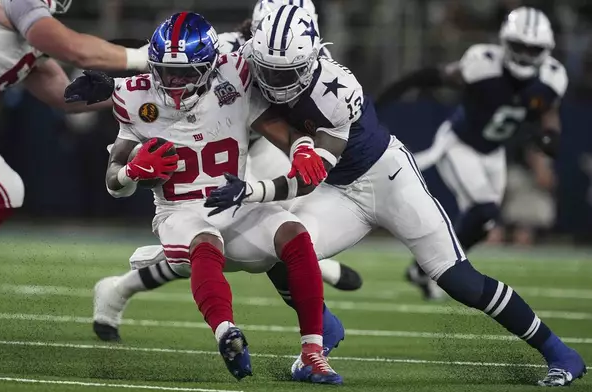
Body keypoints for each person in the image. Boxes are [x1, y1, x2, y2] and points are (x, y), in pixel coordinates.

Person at [205, 5, 586, 387]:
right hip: (339, 190)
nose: (272, 79)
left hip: (386, 178)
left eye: (283, 72)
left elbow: (308, 174)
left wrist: (254, 190)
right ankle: (322, 327)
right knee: (279, 244)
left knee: (458, 279)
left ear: (310, 59)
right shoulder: (247, 63)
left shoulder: (337, 90)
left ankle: (559, 352)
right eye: (266, 68)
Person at [83, 12, 342, 384]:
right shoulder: (134, 97)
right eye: (167, 72)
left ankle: (312, 353)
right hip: (179, 212)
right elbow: (113, 183)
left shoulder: (235, 79)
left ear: (210, 66)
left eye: (187, 73)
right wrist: (132, 172)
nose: (175, 82)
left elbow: (287, 132)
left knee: (293, 232)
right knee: (205, 242)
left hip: (231, 201)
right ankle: (226, 334)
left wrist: (303, 149)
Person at [0, 0, 149, 324]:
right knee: (4, 190)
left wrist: (139, 92)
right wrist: (144, 58)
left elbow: (64, 95)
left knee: (6, 191)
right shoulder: (17, 3)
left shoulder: (28, 35)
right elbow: (77, 50)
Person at [375, 7, 567, 301]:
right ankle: (439, 268)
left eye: (533, 49)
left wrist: (550, 135)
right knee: (485, 209)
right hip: (459, 143)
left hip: (493, 152)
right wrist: (383, 100)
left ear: (545, 50)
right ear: (505, 42)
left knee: (484, 222)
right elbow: (433, 76)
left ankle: (421, 269)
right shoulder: (483, 65)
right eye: (520, 46)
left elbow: (549, 111)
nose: (526, 55)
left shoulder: (552, 78)